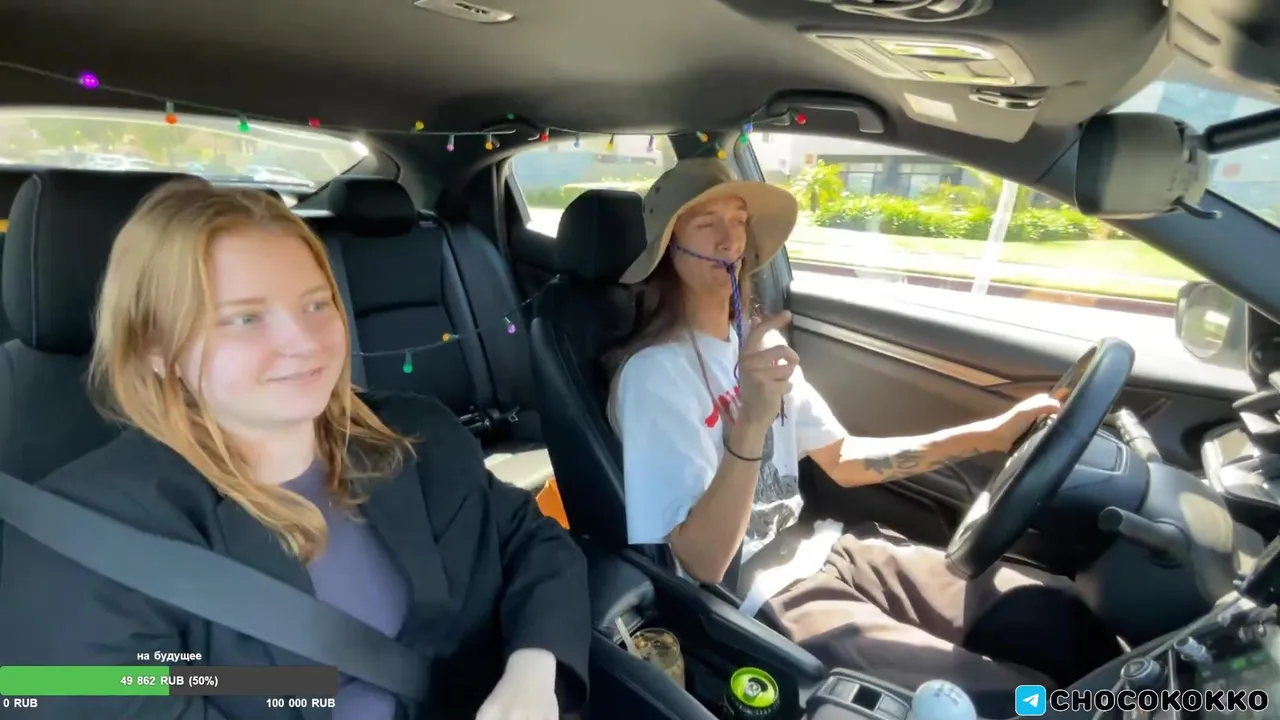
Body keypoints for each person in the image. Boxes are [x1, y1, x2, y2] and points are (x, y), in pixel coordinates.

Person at [0, 179, 589, 720]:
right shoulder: (81, 547)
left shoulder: (419, 438)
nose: (302, 342)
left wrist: (534, 673)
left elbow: (533, 545)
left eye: (315, 304)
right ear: (158, 349)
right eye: (244, 319)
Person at [609, 158, 1119, 706]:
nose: (729, 239)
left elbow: (844, 459)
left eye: (738, 219)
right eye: (705, 223)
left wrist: (990, 435)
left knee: (1058, 615)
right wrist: (753, 420)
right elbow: (702, 563)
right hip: (756, 594)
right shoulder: (653, 377)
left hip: (831, 547)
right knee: (1013, 700)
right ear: (668, 249)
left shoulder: (751, 345)